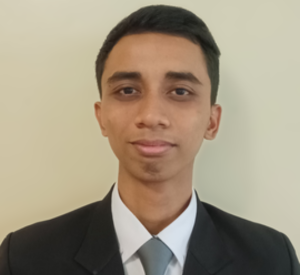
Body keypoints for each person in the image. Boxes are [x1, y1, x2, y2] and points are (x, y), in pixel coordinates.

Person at [0, 4, 299, 275]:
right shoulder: (26, 258)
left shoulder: (271, 260)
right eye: (128, 90)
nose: (152, 115)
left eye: (180, 91)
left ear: (212, 120)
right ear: (101, 116)